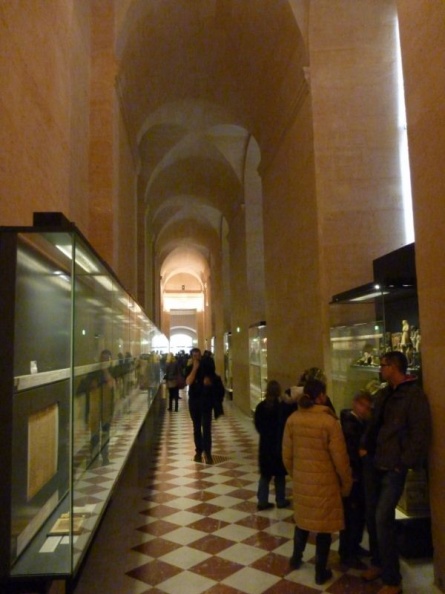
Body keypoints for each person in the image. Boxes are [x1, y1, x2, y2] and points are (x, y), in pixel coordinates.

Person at [360, 351, 431, 594]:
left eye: (384, 365)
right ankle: (379, 563)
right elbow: (374, 424)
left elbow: (420, 433)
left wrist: (404, 462)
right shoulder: (384, 393)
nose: (380, 368)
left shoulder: (413, 395)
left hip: (393, 466)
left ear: (396, 367)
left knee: (383, 518)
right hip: (375, 462)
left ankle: (393, 580)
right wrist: (364, 447)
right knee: (372, 516)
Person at [282, 378, 352, 586]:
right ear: (321, 396)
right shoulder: (329, 422)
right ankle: (321, 571)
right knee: (323, 527)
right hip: (326, 483)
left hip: (303, 481)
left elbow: (286, 455)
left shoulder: (293, 419)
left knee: (302, 521)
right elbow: (340, 459)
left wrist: (296, 475)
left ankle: (296, 558)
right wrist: (346, 482)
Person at [338, 390, 373, 568]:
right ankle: (347, 552)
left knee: (358, 515)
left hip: (358, 476)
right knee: (351, 516)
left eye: (368, 407)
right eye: (362, 405)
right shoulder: (350, 426)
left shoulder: (359, 422)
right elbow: (353, 453)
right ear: (354, 404)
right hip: (353, 477)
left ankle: (354, 546)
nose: (365, 409)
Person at [254, 380, 291, 511]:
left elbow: (257, 425)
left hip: (265, 445)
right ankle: (280, 500)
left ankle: (262, 501)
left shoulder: (260, 407)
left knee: (265, 475)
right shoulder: (282, 408)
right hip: (278, 445)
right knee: (279, 475)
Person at [186, 348, 224, 464]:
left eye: (198, 355)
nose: (197, 357)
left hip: (206, 402)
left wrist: (209, 382)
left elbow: (213, 377)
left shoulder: (207, 367)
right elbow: (188, 381)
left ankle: (207, 453)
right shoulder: (189, 368)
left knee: (206, 428)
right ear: (192, 357)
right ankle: (198, 451)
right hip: (194, 402)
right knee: (196, 427)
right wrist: (195, 368)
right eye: (194, 356)